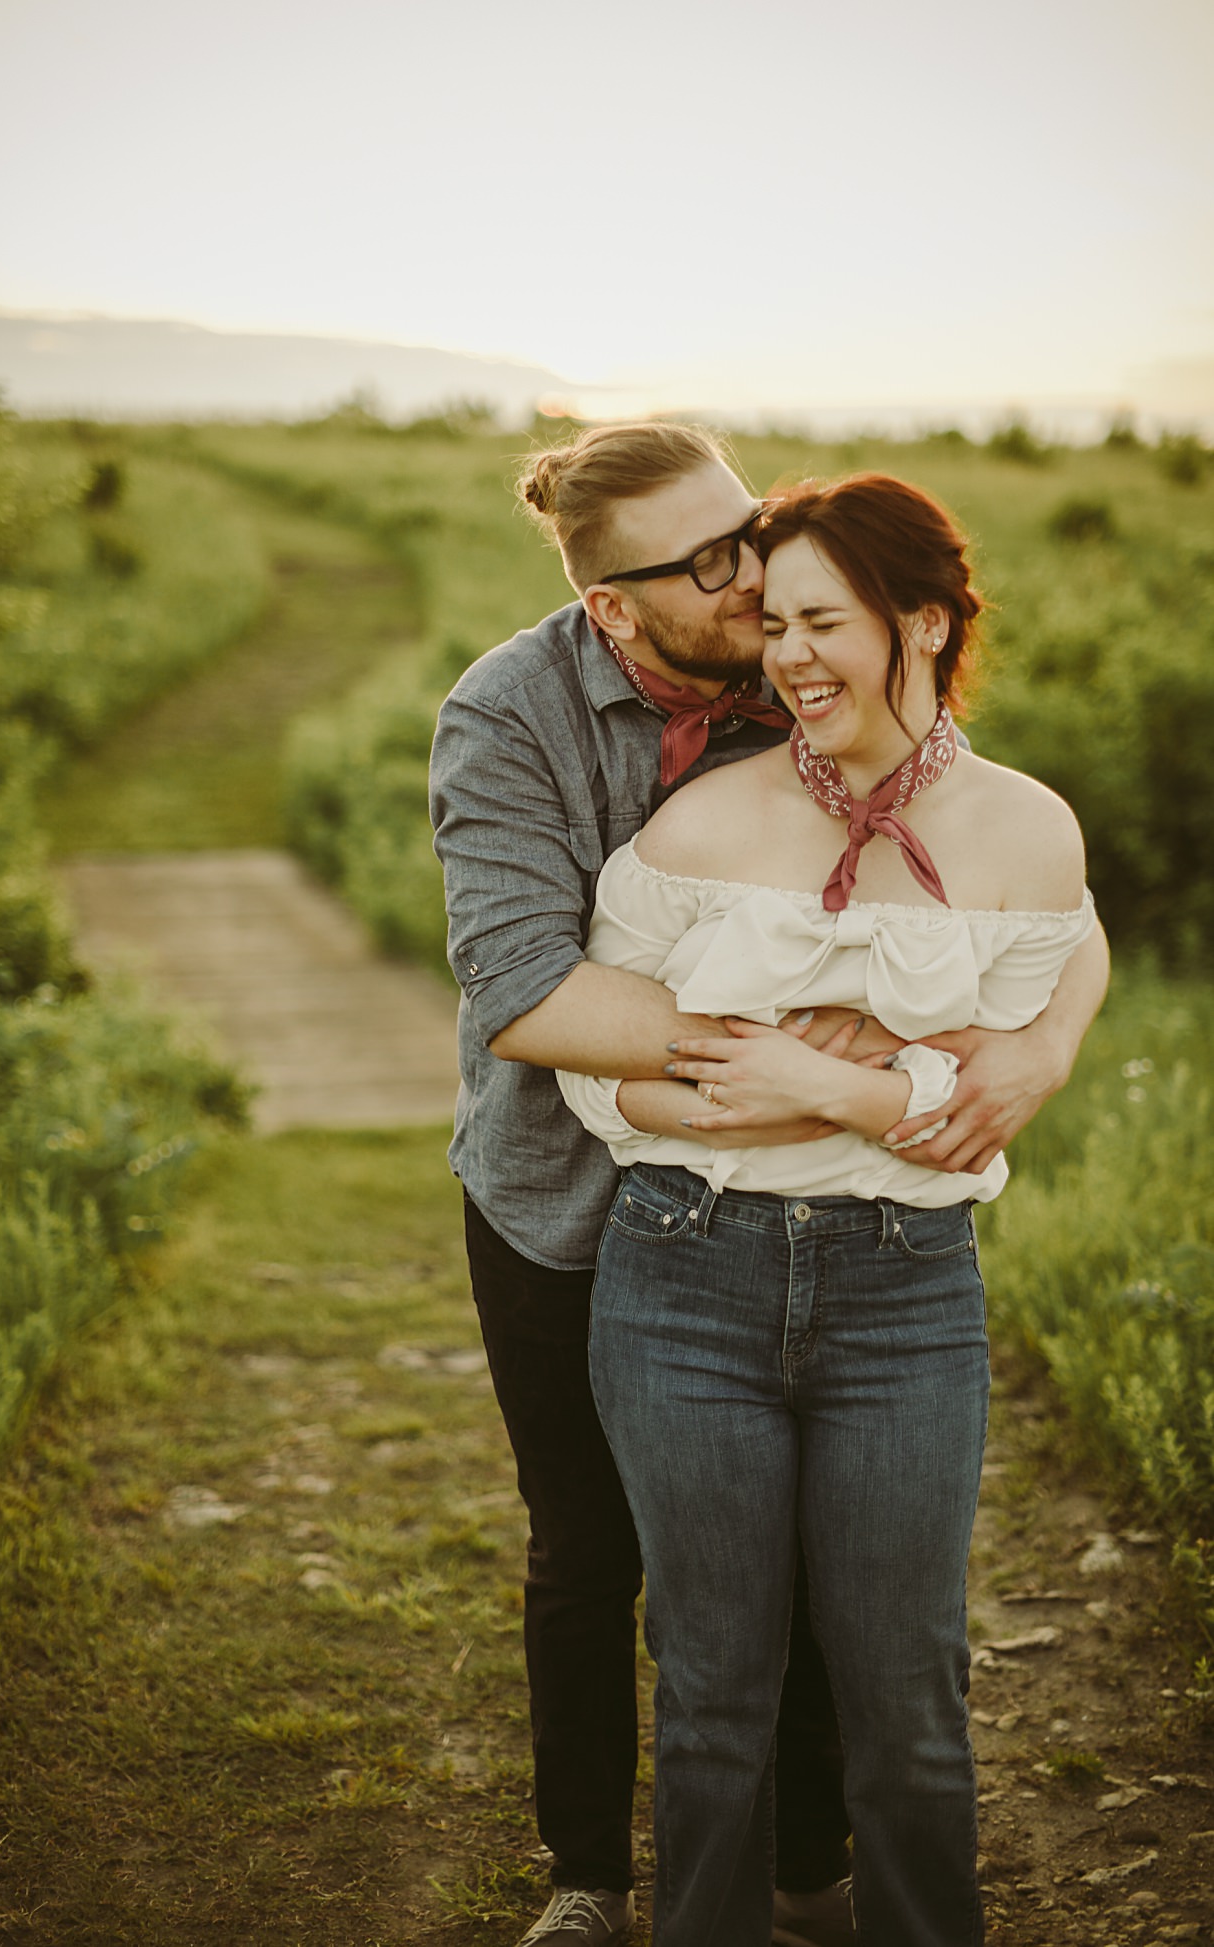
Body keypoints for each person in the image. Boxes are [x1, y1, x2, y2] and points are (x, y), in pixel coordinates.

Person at [429, 426, 1108, 1947]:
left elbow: (1043, 896)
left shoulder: (798, 646)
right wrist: (801, 1068)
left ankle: (810, 1870)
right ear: (617, 607)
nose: (754, 582)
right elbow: (531, 997)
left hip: (841, 1224)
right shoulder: (510, 714)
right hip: (568, 1189)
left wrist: (1040, 1044)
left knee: (816, 1598)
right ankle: (592, 1882)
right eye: (713, 562)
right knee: (596, 1548)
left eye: (753, 534)